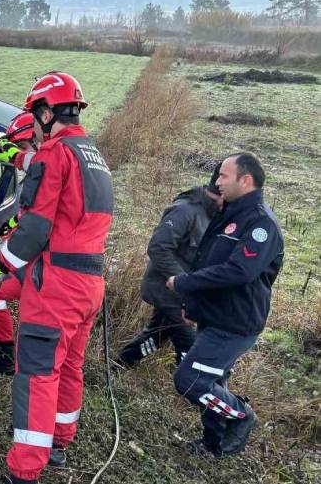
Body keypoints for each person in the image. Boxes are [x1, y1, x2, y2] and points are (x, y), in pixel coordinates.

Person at [0, 72, 113, 484]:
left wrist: (1, 267)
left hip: (56, 285)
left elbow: (35, 228)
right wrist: (18, 158)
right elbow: (62, 187)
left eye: (35, 116)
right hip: (89, 283)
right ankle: (60, 441)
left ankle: (24, 471)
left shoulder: (53, 154)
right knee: (70, 366)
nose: (35, 127)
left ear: (45, 112)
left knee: (37, 376)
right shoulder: (91, 154)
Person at [168, 152, 283, 457]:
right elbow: (207, 259)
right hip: (215, 315)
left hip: (235, 324)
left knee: (191, 380)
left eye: (223, 176)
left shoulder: (260, 223)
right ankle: (213, 445)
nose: (217, 182)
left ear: (245, 180)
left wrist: (184, 284)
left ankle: (241, 416)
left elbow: (238, 271)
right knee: (213, 380)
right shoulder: (231, 214)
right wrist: (194, 306)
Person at [118, 164, 223, 368]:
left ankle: (119, 364)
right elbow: (158, 248)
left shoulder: (217, 215)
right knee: (191, 347)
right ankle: (190, 390)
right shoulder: (186, 210)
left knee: (157, 336)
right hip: (166, 292)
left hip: (186, 295)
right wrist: (185, 283)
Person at [0, 111, 38, 375]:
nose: (20, 156)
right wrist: (11, 225)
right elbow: (28, 215)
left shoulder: (44, 171)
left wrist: (1, 268)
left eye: (23, 148)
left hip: (39, 264)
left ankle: (6, 354)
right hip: (38, 261)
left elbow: (36, 226)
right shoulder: (44, 167)